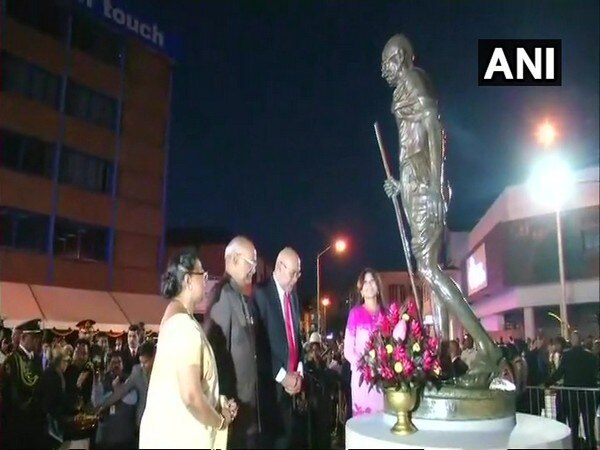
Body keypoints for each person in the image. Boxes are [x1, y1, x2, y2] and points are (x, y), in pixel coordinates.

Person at [139, 248, 238, 449]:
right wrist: (220, 420)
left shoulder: (175, 321)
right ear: (187, 280)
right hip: (181, 439)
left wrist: (217, 402)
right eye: (203, 274)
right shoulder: (184, 327)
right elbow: (191, 395)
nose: (206, 280)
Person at [206, 236, 260, 449]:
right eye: (251, 263)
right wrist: (224, 402)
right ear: (235, 259)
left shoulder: (240, 296)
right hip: (233, 411)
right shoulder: (223, 296)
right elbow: (214, 355)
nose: (254, 270)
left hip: (247, 410)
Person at [254, 247, 304, 448]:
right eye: (293, 273)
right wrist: (283, 376)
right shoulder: (260, 295)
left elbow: (296, 338)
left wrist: (299, 371)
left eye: (298, 274)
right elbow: (259, 345)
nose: (296, 279)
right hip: (270, 391)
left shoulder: (294, 297)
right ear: (280, 267)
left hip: (291, 390)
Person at [343, 268, 386, 416]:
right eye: (365, 282)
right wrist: (365, 364)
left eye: (372, 281)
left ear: (378, 287)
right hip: (362, 378)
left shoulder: (386, 314)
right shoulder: (355, 314)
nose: (369, 285)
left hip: (384, 378)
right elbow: (348, 350)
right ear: (361, 290)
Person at [1, 318, 45, 449]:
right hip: (18, 423)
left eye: (38, 337)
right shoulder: (12, 360)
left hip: (31, 424)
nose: (37, 341)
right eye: (34, 337)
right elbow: (13, 394)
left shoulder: (34, 359)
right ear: (23, 337)